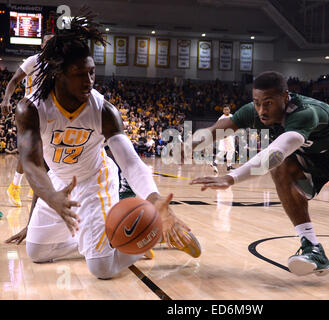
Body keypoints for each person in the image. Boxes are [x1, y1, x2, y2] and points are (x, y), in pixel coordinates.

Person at [15, 14, 199, 279]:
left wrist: (155, 199)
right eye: (80, 74)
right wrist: (52, 196)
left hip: (94, 180)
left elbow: (131, 162)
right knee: (37, 252)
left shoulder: (103, 110)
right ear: (58, 74)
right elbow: (32, 164)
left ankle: (151, 233)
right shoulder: (31, 108)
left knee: (101, 268)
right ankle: (96, 241)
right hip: (59, 182)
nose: (89, 80)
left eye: (92, 71)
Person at [190, 71, 329, 277]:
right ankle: (312, 247)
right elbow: (223, 127)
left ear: (285, 96)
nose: (261, 110)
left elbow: (275, 153)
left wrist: (230, 178)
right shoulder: (258, 110)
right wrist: (189, 144)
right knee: (281, 169)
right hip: (312, 158)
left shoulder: (305, 113)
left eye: (268, 103)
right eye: (257, 103)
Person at [1, 33, 54, 207]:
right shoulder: (33, 60)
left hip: (48, 111)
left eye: (53, 42)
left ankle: (36, 185)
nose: (50, 45)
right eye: (47, 42)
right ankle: (14, 187)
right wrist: (6, 99)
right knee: (29, 150)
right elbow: (15, 80)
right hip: (30, 109)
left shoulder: (57, 63)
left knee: (46, 151)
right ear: (41, 45)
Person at [210, 105, 235, 173]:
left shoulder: (232, 116)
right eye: (225, 110)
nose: (226, 111)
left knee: (224, 151)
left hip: (229, 135)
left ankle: (215, 162)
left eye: (227, 109)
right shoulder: (221, 118)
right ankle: (228, 165)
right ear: (223, 110)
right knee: (230, 150)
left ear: (229, 110)